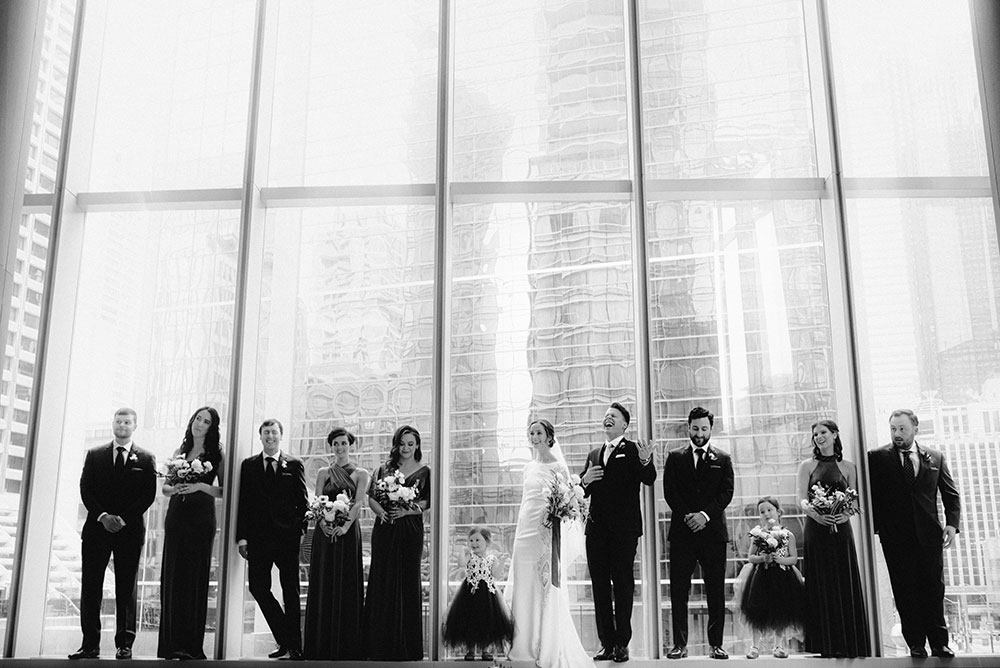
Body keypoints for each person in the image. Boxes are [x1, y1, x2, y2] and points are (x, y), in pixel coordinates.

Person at [868, 409, 960, 659]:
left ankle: (940, 643)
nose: (897, 434)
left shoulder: (936, 457)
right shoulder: (876, 457)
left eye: (902, 429)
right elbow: (871, 496)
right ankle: (916, 644)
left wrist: (952, 524)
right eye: (893, 429)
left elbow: (951, 495)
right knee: (905, 590)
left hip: (930, 536)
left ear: (915, 428)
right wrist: (877, 528)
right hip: (895, 537)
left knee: (934, 589)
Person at [505, 418, 594, 668]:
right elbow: (525, 500)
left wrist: (558, 516)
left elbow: (569, 502)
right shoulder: (528, 467)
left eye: (539, 432)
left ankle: (546, 642)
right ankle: (523, 643)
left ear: (548, 436)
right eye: (531, 432)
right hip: (525, 530)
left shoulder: (558, 466)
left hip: (544, 531)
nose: (534, 437)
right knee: (524, 584)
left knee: (544, 584)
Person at [70, 408, 157, 660]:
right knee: (91, 587)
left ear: (134, 426)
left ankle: (125, 644)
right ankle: (89, 645)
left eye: (127, 422)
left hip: (129, 532)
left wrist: (122, 519)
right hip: (97, 529)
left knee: (126, 588)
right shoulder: (95, 455)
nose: (122, 425)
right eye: (118, 421)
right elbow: (85, 489)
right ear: (113, 424)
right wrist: (103, 517)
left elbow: (148, 495)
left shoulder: (146, 458)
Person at [580, 402, 656, 662]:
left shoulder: (634, 450)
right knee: (599, 587)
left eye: (613, 416)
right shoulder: (593, 453)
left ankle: (622, 643)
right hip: (596, 531)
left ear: (625, 423)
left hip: (624, 531)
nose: (607, 419)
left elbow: (649, 477)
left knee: (623, 585)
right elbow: (582, 490)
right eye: (605, 416)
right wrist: (584, 480)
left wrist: (645, 460)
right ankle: (606, 643)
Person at [662, 406, 734, 660]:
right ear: (687, 428)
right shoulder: (674, 456)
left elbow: (727, 493)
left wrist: (704, 516)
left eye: (704, 429)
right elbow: (670, 491)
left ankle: (717, 644)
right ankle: (679, 645)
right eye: (695, 428)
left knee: (715, 591)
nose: (699, 433)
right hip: (683, 533)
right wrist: (689, 516)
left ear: (711, 429)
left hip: (713, 533)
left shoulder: (723, 459)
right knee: (679, 591)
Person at [236, 418, 308, 660]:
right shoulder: (248, 465)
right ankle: (284, 638)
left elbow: (303, 503)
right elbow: (243, 504)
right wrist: (242, 538)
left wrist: (298, 531)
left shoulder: (295, 464)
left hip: (287, 540)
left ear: (280, 435)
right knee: (258, 588)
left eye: (274, 432)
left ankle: (295, 647)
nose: (270, 436)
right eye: (266, 432)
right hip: (258, 540)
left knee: (291, 592)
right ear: (260, 436)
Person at [797, 419, 869, 658]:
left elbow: (855, 501)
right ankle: (823, 643)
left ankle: (846, 642)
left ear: (835, 435)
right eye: (815, 434)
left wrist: (844, 515)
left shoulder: (848, 467)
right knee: (820, 580)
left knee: (842, 579)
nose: (819, 437)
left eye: (824, 432)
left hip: (841, 530)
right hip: (816, 529)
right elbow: (802, 499)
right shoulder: (807, 465)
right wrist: (816, 515)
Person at [157, 406, 224, 660]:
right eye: (198, 418)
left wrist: (200, 486)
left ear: (211, 427)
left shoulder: (218, 454)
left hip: (201, 519)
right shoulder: (179, 451)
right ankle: (171, 645)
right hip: (176, 518)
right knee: (173, 577)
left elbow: (225, 490)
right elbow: (164, 488)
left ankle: (192, 646)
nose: (200, 424)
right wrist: (175, 489)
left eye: (206, 421)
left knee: (195, 579)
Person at [364, 424, 431, 660]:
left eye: (410, 444)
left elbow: (426, 502)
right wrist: (382, 512)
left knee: (407, 579)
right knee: (382, 579)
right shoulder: (384, 468)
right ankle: (378, 645)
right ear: (396, 444)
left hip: (410, 529)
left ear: (417, 445)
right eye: (402, 444)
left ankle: (408, 646)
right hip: (385, 528)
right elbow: (371, 497)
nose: (405, 448)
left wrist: (407, 511)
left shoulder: (425, 471)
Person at [303, 427, 369, 660]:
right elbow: (318, 502)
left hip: (348, 532)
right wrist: (323, 524)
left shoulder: (361, 473)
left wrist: (345, 526)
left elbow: (359, 502)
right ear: (331, 447)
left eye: (344, 443)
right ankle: (320, 643)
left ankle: (347, 645)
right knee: (323, 581)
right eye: (336, 444)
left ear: (351, 445)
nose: (340, 448)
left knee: (347, 581)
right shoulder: (323, 472)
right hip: (325, 531)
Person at [739, 497, 805, 659]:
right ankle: (755, 646)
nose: (766, 514)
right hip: (762, 577)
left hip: (782, 578)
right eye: (762, 512)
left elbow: (793, 558)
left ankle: (779, 645)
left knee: (780, 611)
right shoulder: (758, 535)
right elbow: (751, 557)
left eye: (769, 510)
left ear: (778, 512)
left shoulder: (787, 535)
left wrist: (780, 560)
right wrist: (763, 559)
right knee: (758, 611)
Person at [442, 526, 514, 661]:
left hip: (488, 596)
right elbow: (461, 564)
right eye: (471, 540)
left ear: (487, 542)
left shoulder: (492, 558)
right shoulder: (470, 557)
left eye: (477, 540)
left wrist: (503, 562)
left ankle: (485, 650)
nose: (474, 543)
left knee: (487, 622)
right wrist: (462, 553)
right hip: (470, 594)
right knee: (469, 621)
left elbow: (496, 574)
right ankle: (470, 650)